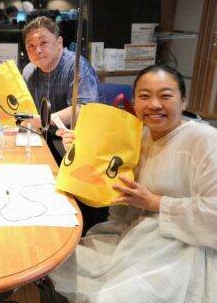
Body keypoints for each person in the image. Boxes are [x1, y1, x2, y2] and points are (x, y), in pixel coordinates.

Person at [50, 65, 217, 303]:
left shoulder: (205, 140)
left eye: (165, 96)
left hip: (184, 246)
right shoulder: (137, 137)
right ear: (134, 102)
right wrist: (81, 149)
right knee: (62, 263)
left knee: (114, 297)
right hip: (132, 234)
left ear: (184, 102)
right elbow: (105, 185)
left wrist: (155, 203)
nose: (154, 104)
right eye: (145, 96)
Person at [21, 16, 100, 141]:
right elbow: (25, 109)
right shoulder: (29, 71)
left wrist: (45, 120)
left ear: (59, 43)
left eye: (43, 43)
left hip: (77, 140)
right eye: (31, 45)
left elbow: (85, 109)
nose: (37, 50)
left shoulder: (77, 65)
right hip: (44, 139)